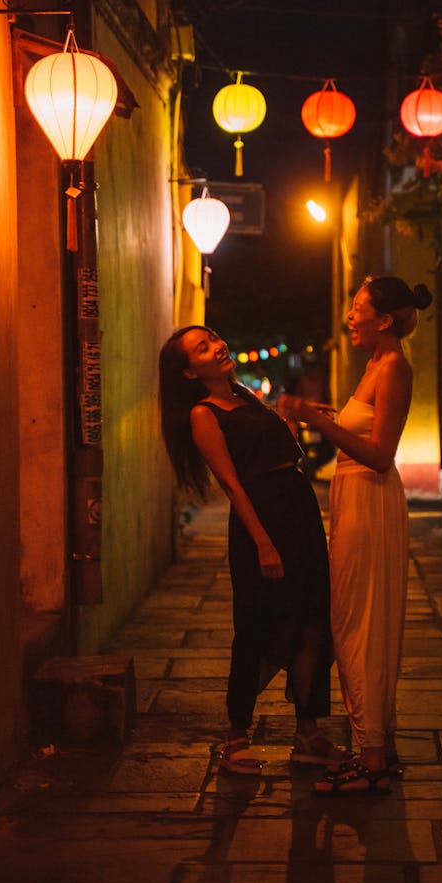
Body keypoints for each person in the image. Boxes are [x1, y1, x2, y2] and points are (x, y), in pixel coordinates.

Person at [159, 325, 338, 775]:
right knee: (258, 627)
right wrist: (263, 543)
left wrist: (297, 417)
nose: (217, 346)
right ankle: (236, 734)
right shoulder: (205, 413)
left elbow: (283, 453)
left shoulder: (244, 397)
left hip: (298, 510)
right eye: (203, 347)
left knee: (313, 619)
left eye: (215, 338)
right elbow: (233, 484)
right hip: (262, 519)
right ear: (187, 371)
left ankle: (307, 731)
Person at [278, 275, 433, 795]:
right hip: (354, 497)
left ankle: (370, 759)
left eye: (357, 308)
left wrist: (315, 421)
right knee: (359, 618)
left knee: (356, 623)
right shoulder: (372, 365)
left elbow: (381, 454)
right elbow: (360, 428)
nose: (350, 316)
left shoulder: (393, 368)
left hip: (370, 496)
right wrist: (318, 414)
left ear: (384, 320)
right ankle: (379, 747)